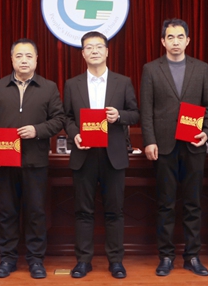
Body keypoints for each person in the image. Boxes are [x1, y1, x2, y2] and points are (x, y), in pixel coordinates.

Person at [0, 38, 66, 279]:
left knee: (36, 212)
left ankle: (36, 260)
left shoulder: (48, 87)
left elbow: (59, 120)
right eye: (19, 56)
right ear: (12, 59)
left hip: (35, 160)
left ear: (36, 60)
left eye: (29, 56)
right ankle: (7, 259)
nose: (24, 60)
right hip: (5, 160)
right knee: (6, 211)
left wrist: (37, 130)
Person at [140, 19, 208, 277]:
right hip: (164, 146)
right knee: (166, 204)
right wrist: (149, 140)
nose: (175, 41)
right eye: (170, 37)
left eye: (180, 37)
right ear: (163, 41)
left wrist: (207, 132)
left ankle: (192, 256)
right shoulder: (151, 69)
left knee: (193, 204)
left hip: (193, 145)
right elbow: (146, 110)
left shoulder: (201, 68)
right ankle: (166, 256)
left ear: (188, 40)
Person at [64, 32, 140, 279]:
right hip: (84, 154)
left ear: (107, 51)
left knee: (115, 211)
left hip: (113, 155)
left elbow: (135, 113)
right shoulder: (72, 84)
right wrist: (75, 134)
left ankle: (116, 261)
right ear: (83, 54)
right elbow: (67, 117)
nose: (94, 51)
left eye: (99, 47)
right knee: (83, 211)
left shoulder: (123, 82)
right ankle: (83, 261)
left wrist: (119, 116)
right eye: (89, 47)